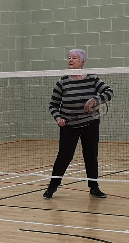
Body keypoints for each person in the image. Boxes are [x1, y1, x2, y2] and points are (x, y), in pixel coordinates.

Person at [45, 49, 114, 199]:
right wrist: (58, 118)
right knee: (64, 156)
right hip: (69, 126)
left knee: (91, 156)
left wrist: (95, 100)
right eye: (69, 57)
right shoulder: (63, 82)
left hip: (90, 124)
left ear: (82, 62)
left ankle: (94, 187)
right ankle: (52, 186)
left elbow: (109, 92)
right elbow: (53, 105)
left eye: (74, 58)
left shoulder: (93, 79)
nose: (70, 60)